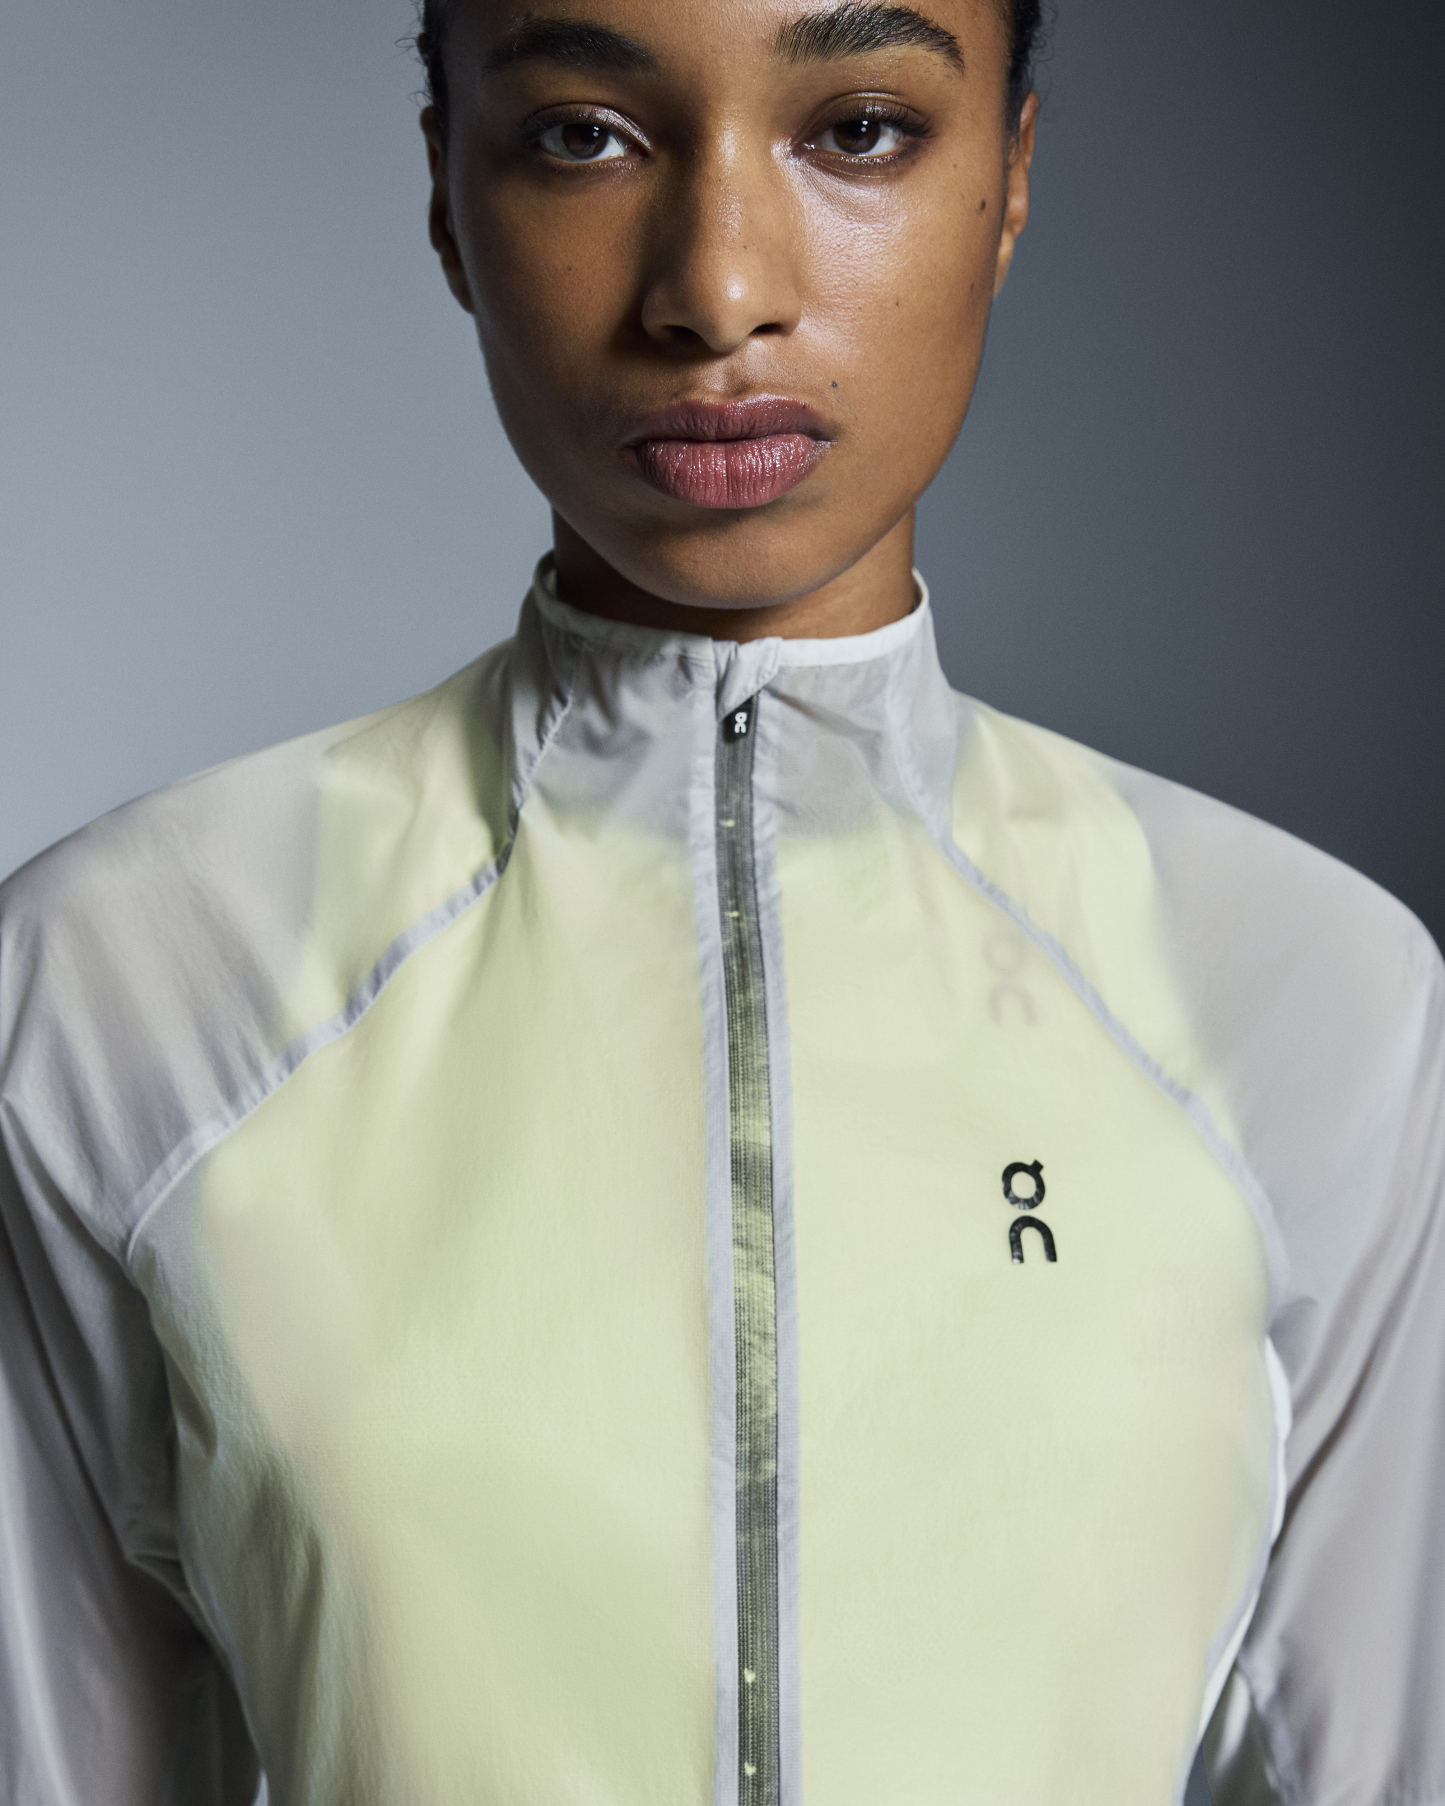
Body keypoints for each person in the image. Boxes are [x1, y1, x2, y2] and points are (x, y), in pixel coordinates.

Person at [0, 2, 1440, 1803]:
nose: (716, 290)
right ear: (447, 197)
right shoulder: (126, 989)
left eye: (857, 128)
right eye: (583, 135)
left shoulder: (1308, 996)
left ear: (1008, 179)